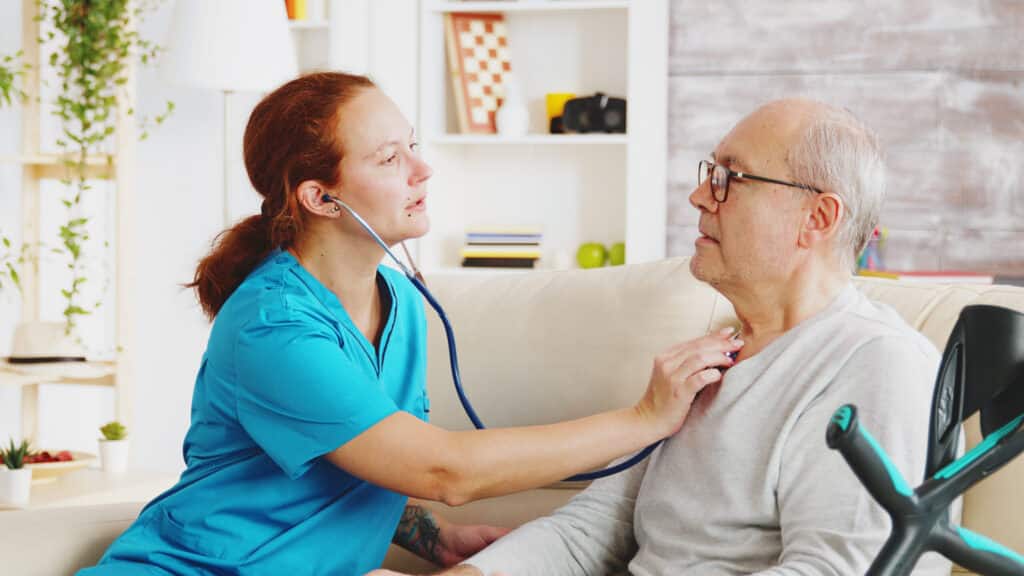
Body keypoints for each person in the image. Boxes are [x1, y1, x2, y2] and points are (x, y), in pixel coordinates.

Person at [78, 72, 742, 576]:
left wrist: (434, 538)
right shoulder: (273, 328)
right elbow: (443, 471)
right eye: (389, 158)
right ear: (321, 198)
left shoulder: (397, 299)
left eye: (414, 147)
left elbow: (355, 459)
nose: (423, 170)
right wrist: (644, 418)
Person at [373, 99, 952, 575]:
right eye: (710, 174)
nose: (699, 197)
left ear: (817, 219)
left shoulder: (879, 363)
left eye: (730, 179)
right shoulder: (712, 355)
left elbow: (838, 569)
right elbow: (588, 531)